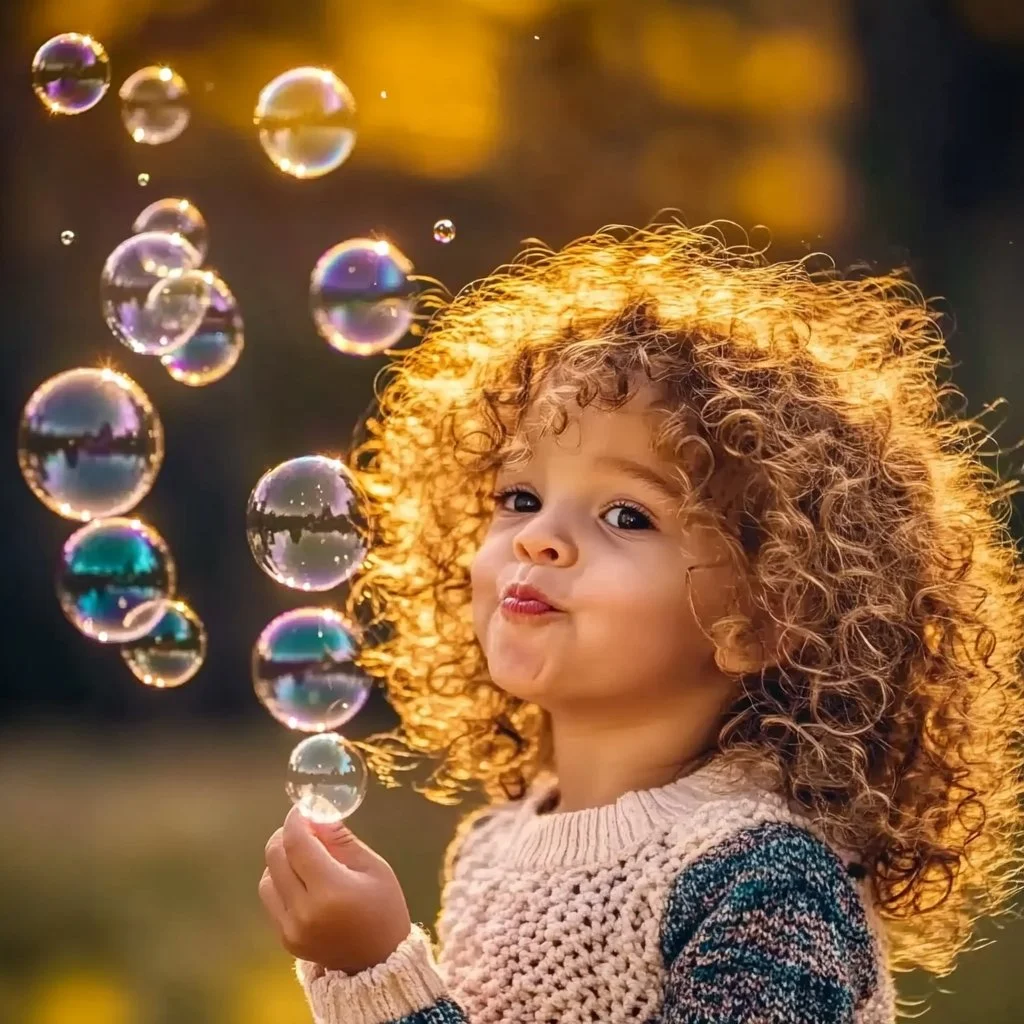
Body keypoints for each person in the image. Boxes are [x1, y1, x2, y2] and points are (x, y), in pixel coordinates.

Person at [259, 222, 1024, 1023]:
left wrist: (380, 979)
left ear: (764, 614)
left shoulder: (764, 883)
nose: (537, 536)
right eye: (520, 497)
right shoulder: (491, 846)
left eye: (626, 515)